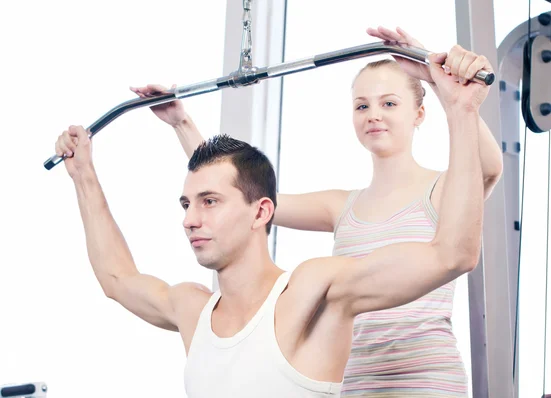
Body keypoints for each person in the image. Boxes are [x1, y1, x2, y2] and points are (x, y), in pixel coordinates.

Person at [131, 27, 503, 397]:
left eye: (389, 103)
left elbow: (485, 169)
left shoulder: (442, 190)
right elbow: (244, 197)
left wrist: (438, 83)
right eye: (362, 105)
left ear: (419, 113)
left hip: (426, 378)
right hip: (355, 380)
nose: (374, 114)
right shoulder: (341, 206)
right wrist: (181, 122)